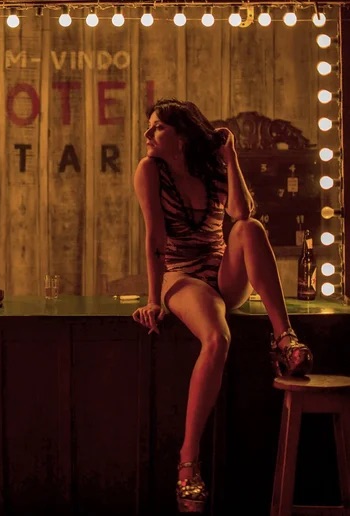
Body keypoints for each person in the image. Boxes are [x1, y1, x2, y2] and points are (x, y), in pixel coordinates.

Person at [131, 98, 313, 513]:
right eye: (150, 126)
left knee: (250, 229)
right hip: (183, 275)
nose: (148, 134)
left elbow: (240, 211)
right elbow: (155, 238)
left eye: (158, 127)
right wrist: (154, 299)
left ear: (182, 135)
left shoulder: (212, 166)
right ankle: (188, 462)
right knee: (217, 339)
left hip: (220, 270)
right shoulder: (150, 171)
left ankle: (284, 339)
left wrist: (230, 157)